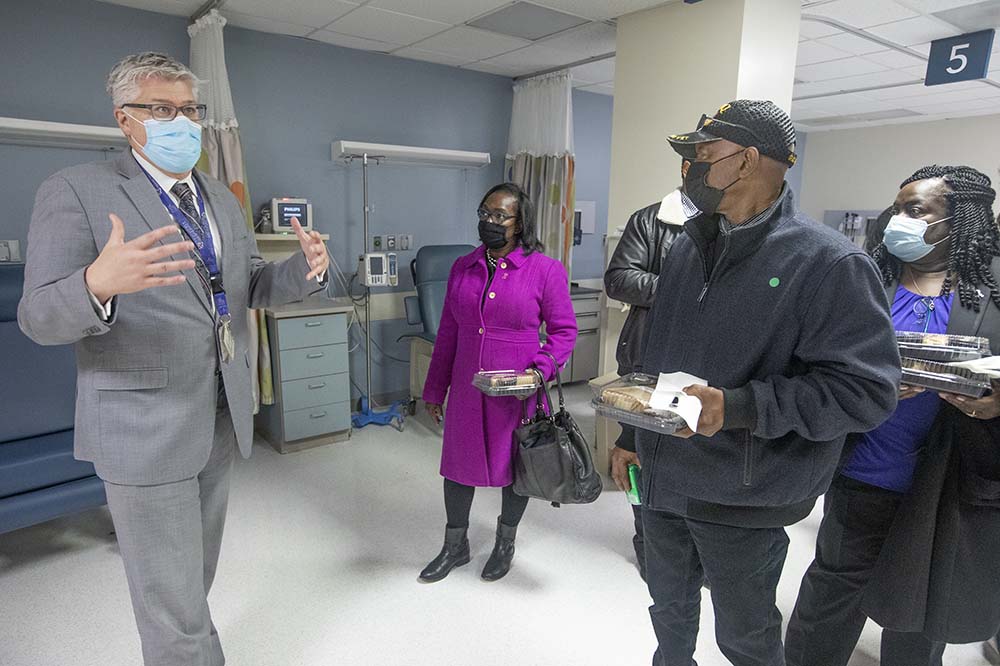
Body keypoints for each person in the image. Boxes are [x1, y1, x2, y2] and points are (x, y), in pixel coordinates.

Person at [17, 52, 329, 666]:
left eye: (189, 109)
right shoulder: (77, 191)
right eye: (161, 109)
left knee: (193, 581)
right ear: (125, 121)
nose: (180, 121)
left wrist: (304, 271)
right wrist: (96, 285)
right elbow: (37, 316)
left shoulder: (218, 196)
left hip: (217, 410)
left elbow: (248, 287)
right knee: (171, 603)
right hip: (142, 424)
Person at [636, 99, 900, 666]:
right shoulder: (688, 246)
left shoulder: (830, 264)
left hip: (744, 492)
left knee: (746, 637)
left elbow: (866, 392)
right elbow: (659, 351)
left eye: (703, 153)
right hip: (664, 478)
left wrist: (736, 407)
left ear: (748, 160)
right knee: (668, 614)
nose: (690, 167)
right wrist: (630, 441)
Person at [785, 165, 1000, 666]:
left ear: (960, 221)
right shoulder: (863, 279)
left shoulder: (992, 295)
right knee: (833, 592)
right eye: (898, 207)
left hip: (947, 478)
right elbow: (810, 359)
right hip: (864, 468)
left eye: (915, 210)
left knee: (923, 605)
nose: (896, 219)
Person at [420, 182, 577, 583]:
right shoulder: (464, 267)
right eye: (484, 214)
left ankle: (505, 542)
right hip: (468, 389)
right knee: (456, 468)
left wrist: (539, 371)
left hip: (518, 393)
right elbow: (448, 335)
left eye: (500, 216)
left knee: (516, 469)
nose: (490, 222)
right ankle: (455, 547)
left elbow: (563, 333)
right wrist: (435, 389)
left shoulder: (545, 270)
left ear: (520, 222)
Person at [604, 159, 695, 581]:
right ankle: (647, 543)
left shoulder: (736, 223)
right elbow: (620, 278)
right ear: (685, 167)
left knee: (694, 458)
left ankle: (692, 550)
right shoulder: (652, 220)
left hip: (703, 367)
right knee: (639, 453)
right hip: (649, 362)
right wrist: (690, 292)